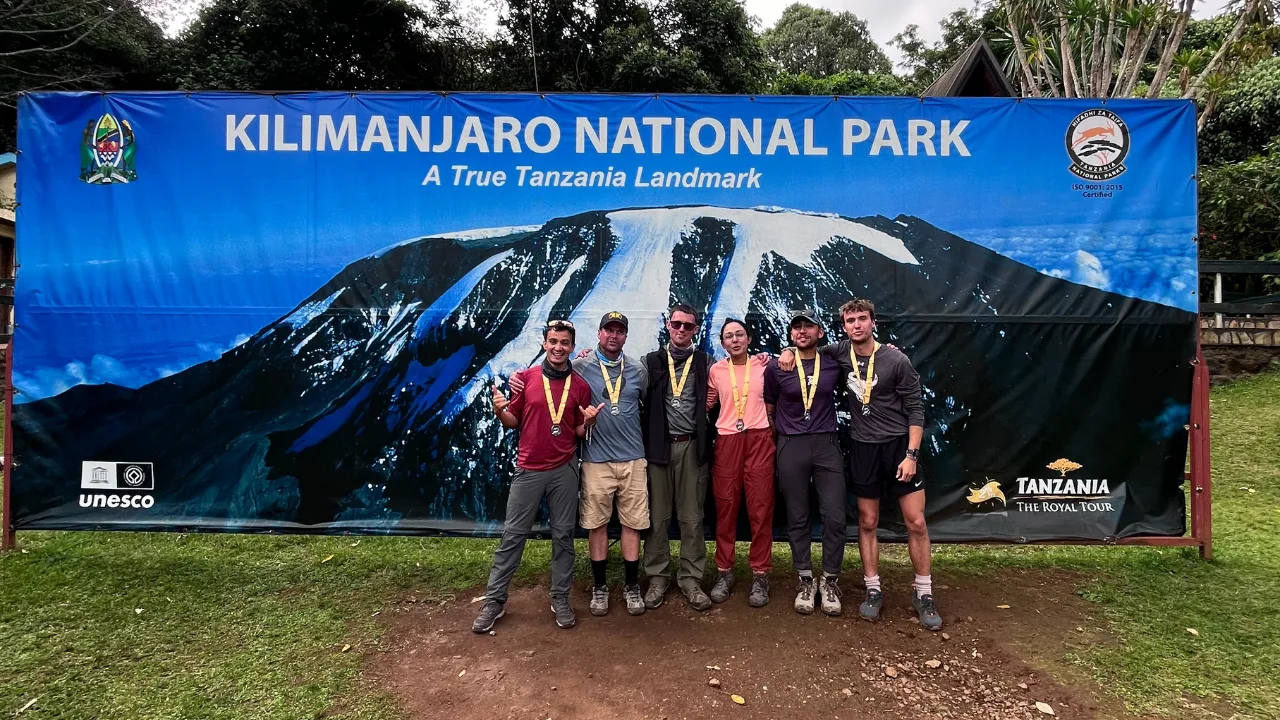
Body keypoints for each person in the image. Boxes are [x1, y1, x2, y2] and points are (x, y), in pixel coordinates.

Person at [472, 319, 602, 633]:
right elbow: (513, 421)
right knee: (513, 536)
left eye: (564, 343)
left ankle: (560, 597)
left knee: (563, 537)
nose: (558, 348)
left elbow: (577, 430)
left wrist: (588, 423)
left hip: (564, 469)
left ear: (572, 347)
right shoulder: (527, 379)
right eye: (553, 342)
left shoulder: (580, 386)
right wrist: (499, 410)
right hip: (529, 468)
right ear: (544, 344)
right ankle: (494, 600)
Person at [837, 299, 938, 630]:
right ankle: (873, 589)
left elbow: (916, 409)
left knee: (916, 522)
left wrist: (911, 455)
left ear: (873, 322)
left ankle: (924, 593)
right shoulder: (838, 353)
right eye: (850, 320)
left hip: (898, 448)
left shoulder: (896, 359)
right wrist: (783, 353)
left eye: (861, 318)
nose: (856, 325)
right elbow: (805, 351)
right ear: (844, 326)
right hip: (863, 448)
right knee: (868, 521)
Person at [763, 308, 846, 616]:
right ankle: (805, 580)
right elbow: (769, 406)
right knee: (797, 516)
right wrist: (779, 441)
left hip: (826, 443)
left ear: (820, 332)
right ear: (790, 334)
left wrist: (889, 349)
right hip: (791, 444)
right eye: (796, 327)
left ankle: (830, 580)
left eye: (808, 326)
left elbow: (863, 356)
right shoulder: (777, 367)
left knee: (835, 515)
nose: (802, 331)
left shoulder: (834, 363)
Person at [573, 312, 650, 616]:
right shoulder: (580, 367)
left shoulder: (637, 370)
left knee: (633, 524)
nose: (614, 335)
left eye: (619, 331)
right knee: (597, 525)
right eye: (609, 330)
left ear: (626, 336)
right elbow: (553, 375)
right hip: (596, 460)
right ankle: (600, 587)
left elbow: (646, 402)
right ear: (599, 333)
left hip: (633, 459)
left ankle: (631, 586)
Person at [640, 303, 714, 611]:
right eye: (677, 324)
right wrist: (583, 358)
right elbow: (619, 380)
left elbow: (740, 372)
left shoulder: (706, 362)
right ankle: (657, 577)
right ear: (668, 326)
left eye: (688, 325)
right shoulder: (650, 362)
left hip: (692, 448)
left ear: (696, 329)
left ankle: (691, 579)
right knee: (657, 518)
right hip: (659, 449)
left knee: (692, 518)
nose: (681, 329)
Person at [705, 318, 775, 607]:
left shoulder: (764, 365)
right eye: (729, 336)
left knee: (761, 508)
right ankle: (724, 571)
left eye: (739, 335)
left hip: (759, 439)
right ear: (722, 343)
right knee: (726, 507)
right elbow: (706, 403)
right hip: (727, 440)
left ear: (748, 339)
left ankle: (760, 574)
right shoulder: (716, 371)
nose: (735, 340)